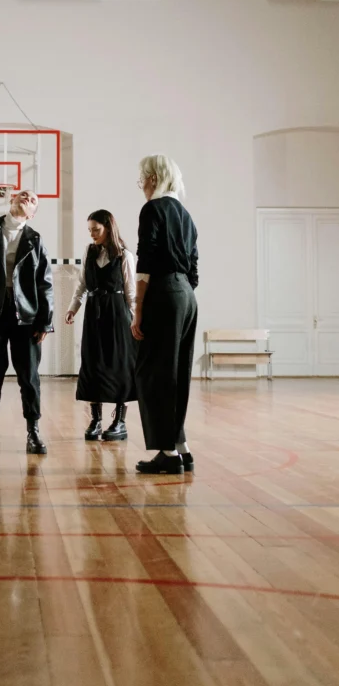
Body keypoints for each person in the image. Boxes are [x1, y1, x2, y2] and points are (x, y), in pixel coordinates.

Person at [0, 189, 54, 455]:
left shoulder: (34, 239)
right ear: (11, 200)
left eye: (33, 200)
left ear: (33, 213)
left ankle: (33, 432)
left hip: (25, 317)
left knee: (29, 376)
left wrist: (45, 322)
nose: (28, 198)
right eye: (23, 195)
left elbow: (45, 284)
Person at [131, 155, 198, 476]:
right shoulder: (186, 215)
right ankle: (181, 445)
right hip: (187, 295)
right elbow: (194, 266)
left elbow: (145, 261)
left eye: (142, 178)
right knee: (178, 371)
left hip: (164, 292)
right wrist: (182, 289)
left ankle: (167, 452)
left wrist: (138, 309)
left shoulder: (153, 210)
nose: (141, 185)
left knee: (153, 372)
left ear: (154, 179)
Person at [65, 210, 137, 441]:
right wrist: (73, 307)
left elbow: (131, 293)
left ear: (108, 227)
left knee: (119, 364)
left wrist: (136, 318)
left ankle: (119, 422)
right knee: (93, 364)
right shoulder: (89, 251)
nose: (92, 234)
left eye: (96, 230)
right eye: (90, 230)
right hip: (94, 313)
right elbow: (82, 285)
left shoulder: (125, 255)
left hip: (118, 313)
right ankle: (96, 420)